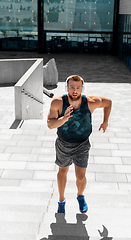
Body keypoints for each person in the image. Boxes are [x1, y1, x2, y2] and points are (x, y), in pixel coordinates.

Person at [47, 75, 112, 214]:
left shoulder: (90, 102)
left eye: (78, 88)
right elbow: (50, 124)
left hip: (82, 144)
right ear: (67, 88)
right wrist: (64, 118)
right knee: (62, 171)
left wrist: (105, 121)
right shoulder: (58, 103)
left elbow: (108, 103)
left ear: (82, 88)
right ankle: (61, 200)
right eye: (72, 87)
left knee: (80, 176)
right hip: (63, 144)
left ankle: (80, 196)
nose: (75, 91)